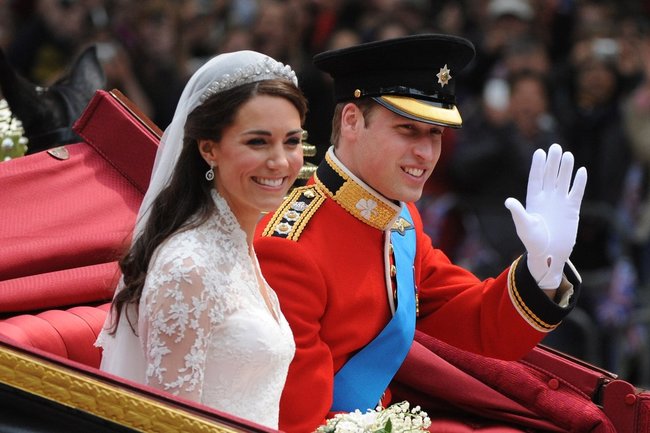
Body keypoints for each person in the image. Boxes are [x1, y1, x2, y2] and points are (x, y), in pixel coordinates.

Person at [254, 34, 588, 433]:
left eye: (435, 134)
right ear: (352, 121)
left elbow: (477, 320)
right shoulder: (290, 247)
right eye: (407, 129)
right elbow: (296, 420)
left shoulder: (400, 219)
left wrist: (543, 271)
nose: (427, 153)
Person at [95, 50, 308, 429]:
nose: (280, 161)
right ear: (209, 149)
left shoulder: (236, 243)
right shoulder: (188, 267)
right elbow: (171, 425)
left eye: (291, 141)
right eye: (258, 142)